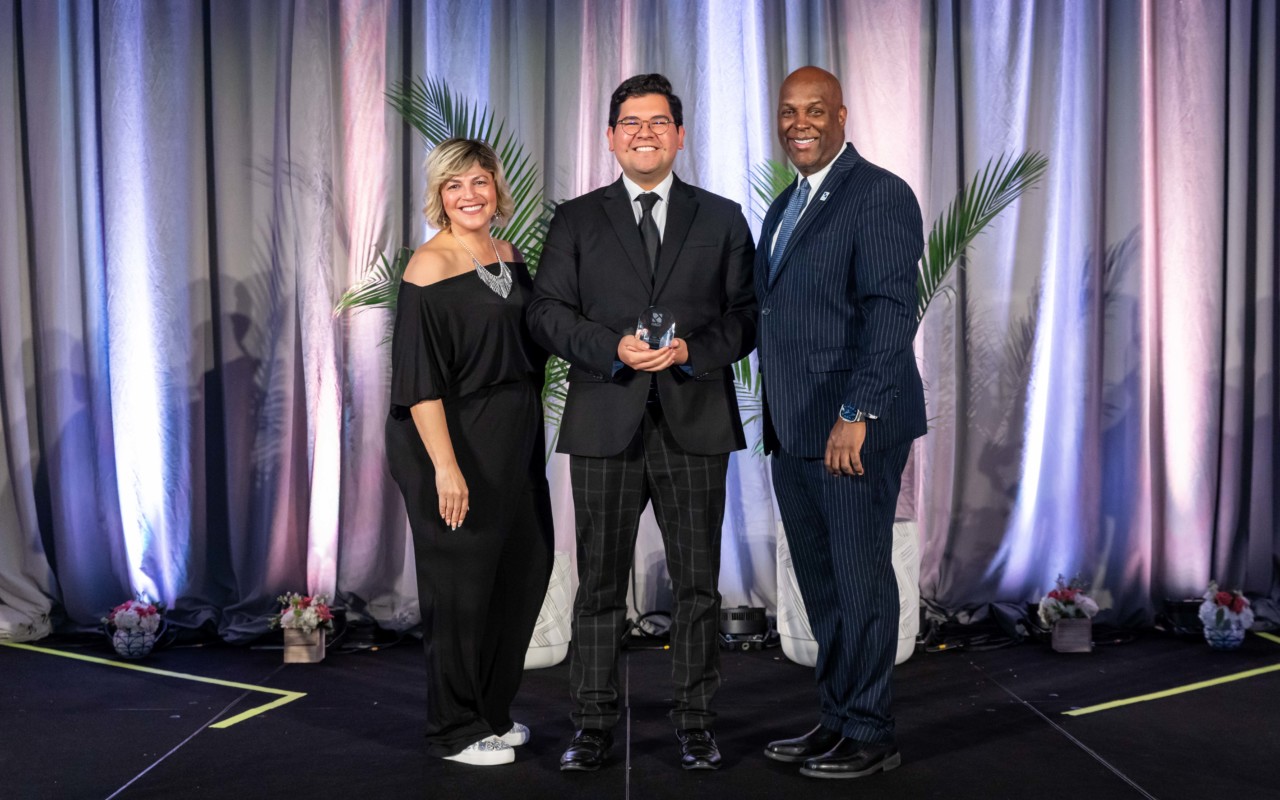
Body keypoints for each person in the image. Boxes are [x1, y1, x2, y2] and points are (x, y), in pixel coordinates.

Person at [528, 73, 756, 772]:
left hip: (695, 423)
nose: (645, 133)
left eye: (659, 122)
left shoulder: (720, 218)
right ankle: (592, 726)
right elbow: (546, 313)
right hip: (605, 422)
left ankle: (695, 722)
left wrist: (692, 351)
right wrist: (611, 349)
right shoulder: (575, 220)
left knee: (695, 587)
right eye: (631, 122)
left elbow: (746, 317)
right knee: (598, 586)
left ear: (680, 135)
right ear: (610, 136)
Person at [755, 66, 926, 779]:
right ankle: (836, 718)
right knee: (823, 587)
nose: (801, 122)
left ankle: (871, 731)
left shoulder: (879, 195)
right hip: (794, 429)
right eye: (791, 111)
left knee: (860, 584)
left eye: (816, 110)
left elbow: (891, 313)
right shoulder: (784, 206)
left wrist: (859, 411)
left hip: (851, 430)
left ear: (842, 115)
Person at [385, 137, 554, 767]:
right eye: (454, 186)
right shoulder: (428, 267)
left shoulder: (507, 254)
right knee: (459, 588)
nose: (469, 195)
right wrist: (446, 467)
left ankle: (490, 712)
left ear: (495, 187)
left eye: (479, 182)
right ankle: (452, 730)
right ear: (439, 196)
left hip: (512, 436)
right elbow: (418, 378)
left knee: (523, 570)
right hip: (449, 439)